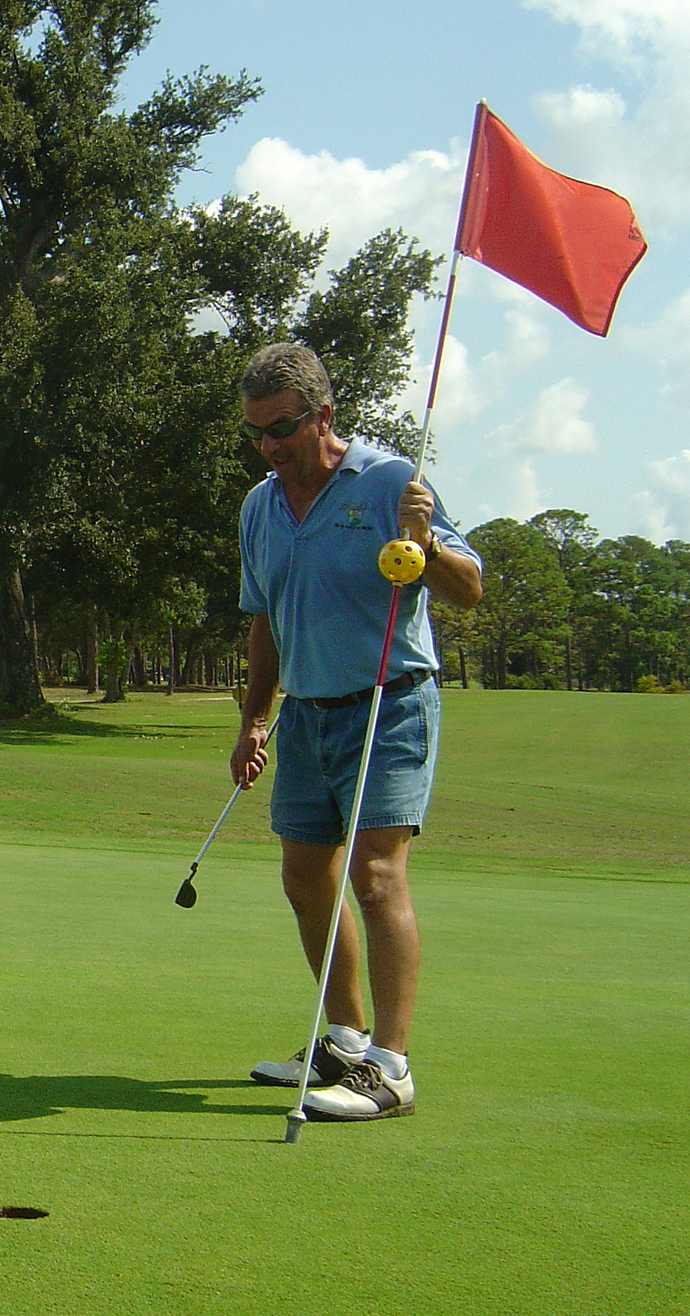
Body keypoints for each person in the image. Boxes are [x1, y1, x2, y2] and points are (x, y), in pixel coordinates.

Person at [229, 343, 482, 1122]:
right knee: (305, 874)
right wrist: (255, 717)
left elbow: (470, 587)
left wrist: (426, 543)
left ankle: (392, 1067)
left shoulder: (387, 482)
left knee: (374, 876)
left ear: (323, 415)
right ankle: (342, 1036)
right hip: (306, 714)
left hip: (390, 702)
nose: (270, 447)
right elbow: (265, 620)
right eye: (257, 433)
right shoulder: (259, 506)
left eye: (283, 428)